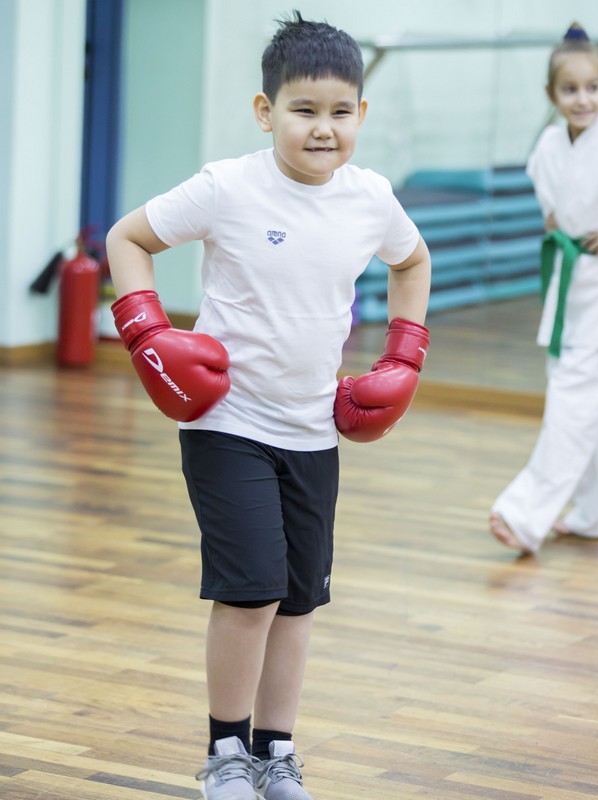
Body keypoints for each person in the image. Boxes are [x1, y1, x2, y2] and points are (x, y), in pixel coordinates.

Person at [106, 11, 430, 800]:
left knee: (296, 602)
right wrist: (146, 329)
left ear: (362, 114)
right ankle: (225, 755)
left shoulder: (371, 198)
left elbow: (412, 259)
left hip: (313, 430)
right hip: (229, 426)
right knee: (250, 591)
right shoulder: (229, 185)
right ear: (265, 111)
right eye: (304, 110)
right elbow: (127, 238)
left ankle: (275, 753)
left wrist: (403, 355)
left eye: (340, 112)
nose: (324, 129)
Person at [490, 22, 598, 554]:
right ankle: (593, 510)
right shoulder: (549, 148)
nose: (584, 99)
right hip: (572, 279)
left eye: (595, 87)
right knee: (582, 393)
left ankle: (524, 513)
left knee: (574, 398)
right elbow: (553, 216)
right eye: (571, 88)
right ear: (551, 95)